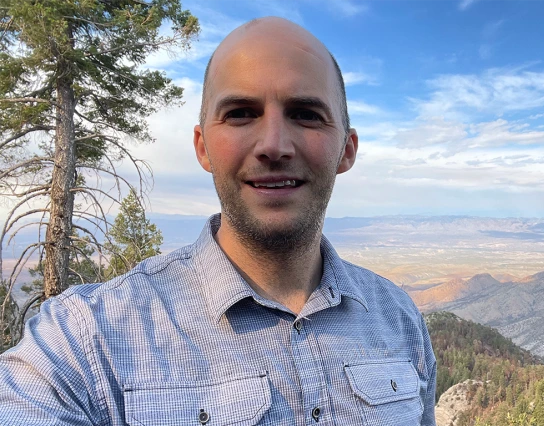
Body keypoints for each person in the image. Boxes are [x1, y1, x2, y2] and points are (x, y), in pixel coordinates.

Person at [0, 17, 436, 425]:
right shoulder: (86, 339)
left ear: (347, 149)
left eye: (305, 113)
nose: (273, 145)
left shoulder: (399, 319)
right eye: (241, 113)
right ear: (203, 146)